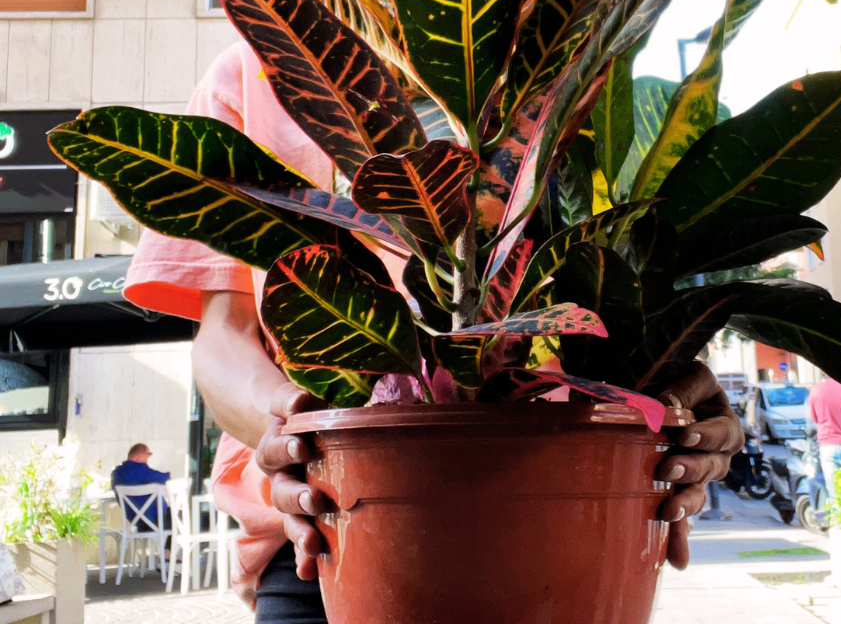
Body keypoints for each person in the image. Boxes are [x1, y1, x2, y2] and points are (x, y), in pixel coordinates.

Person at [124, 41, 745, 621]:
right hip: (330, 531)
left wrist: (668, 392)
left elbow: (624, 285)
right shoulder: (266, 58)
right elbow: (222, 338)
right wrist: (294, 423)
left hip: (579, 514)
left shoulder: (576, 63)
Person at [111, 444, 170, 529]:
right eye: (147, 456)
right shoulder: (142, 470)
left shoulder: (116, 474)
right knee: (178, 517)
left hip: (136, 522)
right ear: (139, 457)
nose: (147, 461)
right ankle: (170, 542)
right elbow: (165, 478)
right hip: (156, 520)